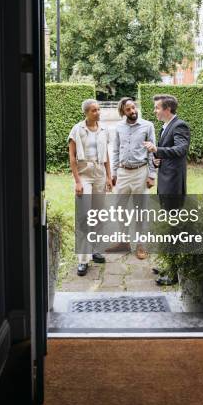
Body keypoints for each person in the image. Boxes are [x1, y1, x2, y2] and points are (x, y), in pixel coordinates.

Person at [144, 94, 190, 285]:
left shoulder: (179, 125)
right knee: (169, 226)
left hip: (172, 184)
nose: (155, 111)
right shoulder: (167, 127)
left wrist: (157, 150)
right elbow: (171, 153)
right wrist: (159, 159)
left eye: (157, 108)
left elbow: (181, 150)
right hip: (165, 181)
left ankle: (173, 275)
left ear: (167, 109)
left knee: (173, 228)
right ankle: (170, 266)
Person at [68, 99, 113, 276]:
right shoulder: (77, 129)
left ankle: (96, 250)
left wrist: (109, 176)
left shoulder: (103, 130)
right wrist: (78, 181)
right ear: (86, 112)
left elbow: (106, 155)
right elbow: (72, 157)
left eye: (98, 109)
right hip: (84, 174)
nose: (98, 112)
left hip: (100, 173)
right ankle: (83, 260)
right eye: (94, 110)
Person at [110, 97, 156, 259]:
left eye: (133, 107)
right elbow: (115, 150)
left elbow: (152, 151)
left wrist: (151, 175)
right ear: (123, 112)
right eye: (128, 109)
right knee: (118, 207)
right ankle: (123, 242)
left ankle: (140, 244)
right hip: (122, 173)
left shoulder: (147, 126)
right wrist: (114, 173)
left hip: (140, 172)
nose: (133, 111)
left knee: (140, 209)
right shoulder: (118, 127)